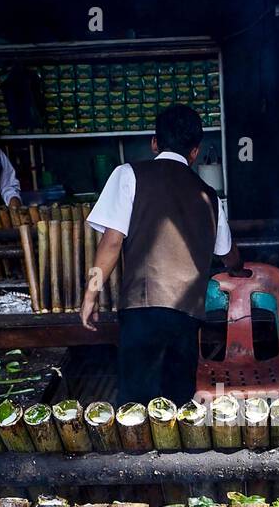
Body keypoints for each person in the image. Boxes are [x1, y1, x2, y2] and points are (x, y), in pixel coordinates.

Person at [81, 104, 245, 405]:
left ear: (155, 143)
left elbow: (111, 243)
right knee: (177, 401)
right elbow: (227, 254)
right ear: (195, 152)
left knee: (135, 404)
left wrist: (91, 293)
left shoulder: (128, 175)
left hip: (141, 309)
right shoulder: (209, 196)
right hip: (186, 315)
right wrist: (239, 267)